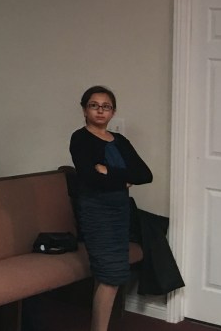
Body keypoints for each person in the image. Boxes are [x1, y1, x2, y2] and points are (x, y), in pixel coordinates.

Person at [70, 86, 152, 331]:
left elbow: (144, 174)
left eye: (106, 107)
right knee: (110, 275)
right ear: (84, 110)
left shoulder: (120, 141)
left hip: (120, 211)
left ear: (113, 112)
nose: (100, 111)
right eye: (94, 105)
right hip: (96, 211)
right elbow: (89, 177)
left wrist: (108, 171)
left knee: (109, 274)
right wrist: (124, 178)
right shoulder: (80, 138)